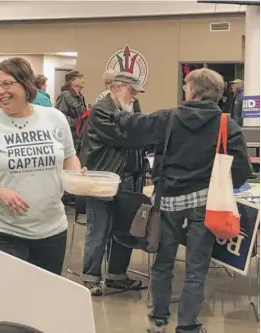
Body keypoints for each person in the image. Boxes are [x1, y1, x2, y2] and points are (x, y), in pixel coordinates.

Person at [109, 68, 251, 333]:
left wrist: (121, 109)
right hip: (205, 205)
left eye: (186, 85)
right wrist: (221, 184)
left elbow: (132, 128)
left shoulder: (169, 118)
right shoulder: (226, 124)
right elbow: (242, 168)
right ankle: (188, 326)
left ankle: (158, 321)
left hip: (169, 202)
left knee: (164, 263)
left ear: (193, 90)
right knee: (197, 269)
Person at [0, 57, 83, 332]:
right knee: (7, 306)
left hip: (51, 228)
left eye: (8, 83)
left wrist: (77, 176)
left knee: (43, 302)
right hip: (2, 230)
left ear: (26, 84)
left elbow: (69, 157)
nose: (1, 91)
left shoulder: (54, 118)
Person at [80, 72, 145, 296]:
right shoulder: (101, 110)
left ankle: (118, 276)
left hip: (128, 177)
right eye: (132, 90)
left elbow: (139, 134)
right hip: (103, 179)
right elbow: (124, 136)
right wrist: (138, 130)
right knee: (99, 229)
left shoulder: (130, 108)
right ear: (117, 87)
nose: (135, 96)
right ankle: (90, 277)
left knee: (125, 230)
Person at [55, 70, 86, 154]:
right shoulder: (64, 96)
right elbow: (60, 116)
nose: (83, 80)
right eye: (80, 78)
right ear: (72, 81)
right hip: (71, 137)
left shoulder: (81, 96)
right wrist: (76, 122)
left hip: (80, 137)